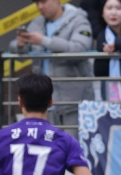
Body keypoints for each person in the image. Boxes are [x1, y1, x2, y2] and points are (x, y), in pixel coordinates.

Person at [11, 0, 94, 137]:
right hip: (43, 100)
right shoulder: (37, 23)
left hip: (73, 100)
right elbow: (19, 53)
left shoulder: (78, 19)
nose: (40, 7)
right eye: (37, 3)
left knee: (72, 146)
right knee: (47, 147)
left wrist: (44, 41)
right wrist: (20, 45)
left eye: (43, 2)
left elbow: (80, 49)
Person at [93, 0, 121, 101]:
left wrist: (116, 45)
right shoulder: (101, 35)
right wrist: (104, 51)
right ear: (102, 13)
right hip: (108, 88)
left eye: (118, 8)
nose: (113, 13)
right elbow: (98, 71)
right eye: (109, 8)